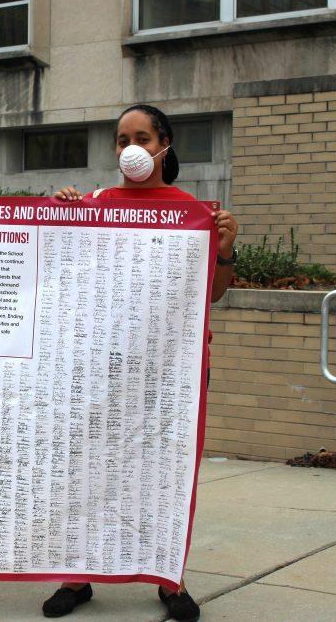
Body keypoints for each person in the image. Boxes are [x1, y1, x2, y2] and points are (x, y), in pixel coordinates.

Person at [42, 105, 238, 622]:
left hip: (171, 372)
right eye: (122, 138)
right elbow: (62, 271)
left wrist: (224, 249)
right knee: (87, 470)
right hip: (102, 371)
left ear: (164, 145)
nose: (131, 147)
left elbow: (213, 294)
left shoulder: (192, 210)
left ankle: (169, 579)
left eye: (143, 137)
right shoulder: (98, 203)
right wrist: (59, 211)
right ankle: (77, 575)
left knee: (166, 473)